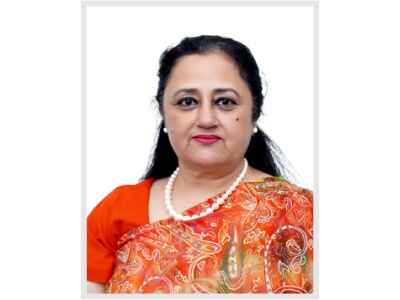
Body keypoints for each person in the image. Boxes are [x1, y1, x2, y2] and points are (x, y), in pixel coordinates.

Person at [87, 35, 313, 294]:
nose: (206, 119)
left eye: (225, 102)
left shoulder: (304, 214)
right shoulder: (116, 211)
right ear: (163, 114)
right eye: (187, 102)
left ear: (254, 114)